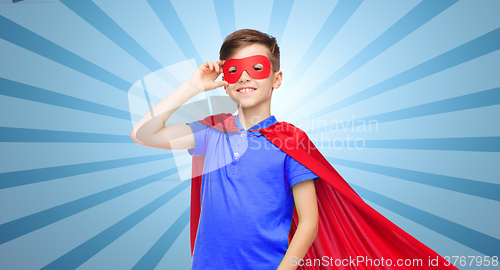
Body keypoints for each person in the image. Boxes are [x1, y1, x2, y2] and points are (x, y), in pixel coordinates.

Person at [131, 29, 459, 270]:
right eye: (234, 69)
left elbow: (309, 221)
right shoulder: (211, 131)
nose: (244, 77)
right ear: (226, 80)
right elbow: (144, 133)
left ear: (276, 78)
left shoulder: (290, 140)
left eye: (256, 67)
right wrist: (193, 86)